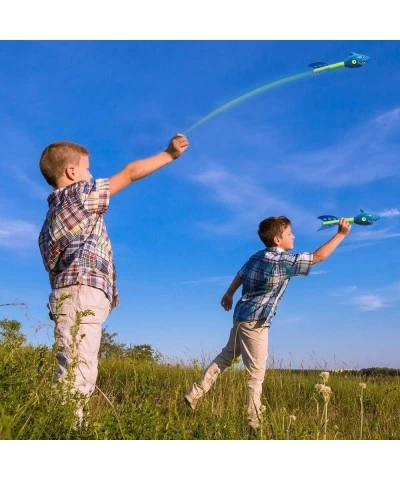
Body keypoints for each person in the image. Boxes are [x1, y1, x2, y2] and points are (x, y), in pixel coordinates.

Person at [38, 133, 189, 424]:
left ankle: (65, 426)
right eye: (87, 168)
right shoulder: (80, 194)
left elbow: (52, 271)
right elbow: (129, 174)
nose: (92, 175)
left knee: (74, 368)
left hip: (66, 296)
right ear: (72, 172)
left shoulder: (48, 223)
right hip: (81, 294)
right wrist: (169, 155)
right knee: (78, 374)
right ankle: (65, 433)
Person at [184, 216, 351, 429]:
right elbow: (318, 256)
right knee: (256, 374)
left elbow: (240, 275)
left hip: (241, 317)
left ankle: (195, 393)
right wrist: (340, 234)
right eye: (289, 233)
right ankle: (254, 422)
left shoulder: (256, 257)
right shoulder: (284, 261)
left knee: (226, 356)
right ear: (277, 239)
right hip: (256, 322)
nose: (294, 236)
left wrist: (228, 294)